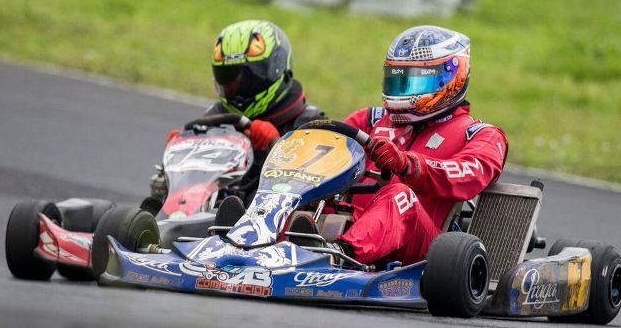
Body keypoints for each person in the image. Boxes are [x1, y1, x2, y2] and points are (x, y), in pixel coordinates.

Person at [320, 25, 508, 267]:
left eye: (413, 82)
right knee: (307, 192)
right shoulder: (370, 121)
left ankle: (339, 256)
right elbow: (323, 155)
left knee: (401, 196)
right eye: (397, 81)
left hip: (422, 248)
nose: (402, 92)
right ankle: (267, 244)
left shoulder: (482, 135)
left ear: (450, 78)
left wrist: (408, 164)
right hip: (350, 222)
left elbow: (467, 175)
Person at [151, 20, 325, 204]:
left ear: (279, 69)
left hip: (271, 217)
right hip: (209, 211)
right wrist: (181, 151)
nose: (239, 89)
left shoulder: (310, 124)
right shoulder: (214, 118)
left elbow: (316, 188)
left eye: (250, 79)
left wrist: (278, 147)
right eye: (230, 78)